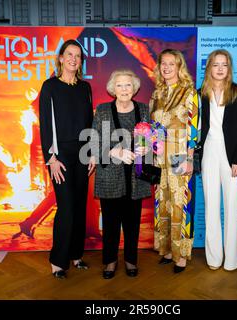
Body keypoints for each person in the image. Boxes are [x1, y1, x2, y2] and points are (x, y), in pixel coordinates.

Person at [39, 39, 95, 279]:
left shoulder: (85, 88)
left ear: (81, 61)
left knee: (80, 206)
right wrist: (51, 158)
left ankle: (76, 255)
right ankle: (58, 260)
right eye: (69, 54)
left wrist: (92, 151)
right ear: (61, 58)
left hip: (83, 153)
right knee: (66, 207)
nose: (74, 59)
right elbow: (45, 126)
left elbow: (89, 124)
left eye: (78, 55)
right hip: (60, 155)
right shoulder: (50, 86)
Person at [90, 69, 151, 279]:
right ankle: (110, 261)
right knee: (111, 224)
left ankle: (131, 260)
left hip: (135, 177)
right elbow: (93, 143)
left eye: (128, 85)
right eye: (119, 85)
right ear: (112, 89)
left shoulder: (144, 109)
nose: (124, 89)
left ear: (134, 88)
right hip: (110, 177)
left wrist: (148, 148)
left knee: (133, 223)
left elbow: (152, 141)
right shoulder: (103, 110)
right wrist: (113, 151)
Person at [198, 49, 237, 271]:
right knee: (211, 206)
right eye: (216, 64)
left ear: (229, 68)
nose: (220, 69)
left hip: (232, 157)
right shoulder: (200, 93)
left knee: (231, 207)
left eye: (224, 65)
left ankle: (232, 260)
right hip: (209, 152)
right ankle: (213, 258)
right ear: (209, 67)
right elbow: (196, 129)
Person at [150, 49, 198, 273]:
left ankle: (182, 255)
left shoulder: (189, 92)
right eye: (163, 64)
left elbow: (194, 128)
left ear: (180, 67)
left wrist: (189, 158)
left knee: (180, 204)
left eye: (172, 63)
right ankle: (167, 250)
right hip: (160, 156)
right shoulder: (156, 93)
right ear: (159, 67)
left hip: (179, 153)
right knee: (164, 203)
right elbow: (151, 129)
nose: (167, 67)